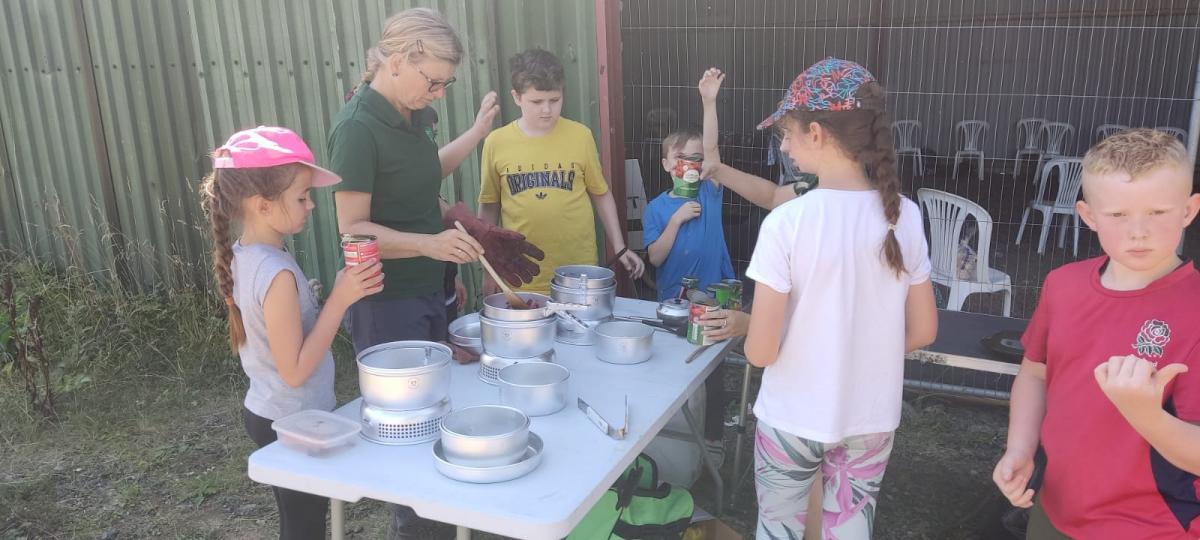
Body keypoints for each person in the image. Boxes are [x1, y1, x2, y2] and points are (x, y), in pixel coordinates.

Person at [327, 8, 539, 538]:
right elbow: (352, 229)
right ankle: (417, 527)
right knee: (406, 434)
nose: (439, 92)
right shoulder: (356, 129)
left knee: (439, 413)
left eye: (446, 83)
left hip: (429, 289)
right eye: (434, 80)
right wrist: (430, 244)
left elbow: (422, 177)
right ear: (398, 60)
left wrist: (449, 249)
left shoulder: (411, 114)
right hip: (386, 300)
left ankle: (443, 520)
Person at [706, 58, 938, 538]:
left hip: (791, 416)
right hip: (871, 418)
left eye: (787, 133)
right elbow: (923, 331)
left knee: (779, 529)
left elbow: (761, 351)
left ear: (816, 133)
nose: (785, 145)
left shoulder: (787, 223)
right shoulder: (907, 216)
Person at [992, 128, 1200, 538]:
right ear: (1088, 215)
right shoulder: (1062, 285)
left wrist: (1144, 413)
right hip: (1055, 510)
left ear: (1189, 210)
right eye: (1118, 215)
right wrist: (1019, 448)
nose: (1138, 230)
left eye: (1158, 212)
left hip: (1155, 527)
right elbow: (1035, 374)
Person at [199, 126, 384, 540]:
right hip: (290, 417)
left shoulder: (250, 255)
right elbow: (295, 371)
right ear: (263, 206)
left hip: (274, 412)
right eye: (301, 197)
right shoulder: (276, 272)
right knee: (303, 528)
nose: (311, 206)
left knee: (299, 521)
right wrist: (339, 300)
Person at [478, 48, 644, 295]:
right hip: (522, 274)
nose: (547, 110)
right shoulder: (496, 142)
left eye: (554, 100)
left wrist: (619, 247)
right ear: (517, 97)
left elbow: (600, 194)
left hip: (578, 273)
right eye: (536, 102)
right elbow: (489, 206)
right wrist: (488, 268)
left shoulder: (580, 136)